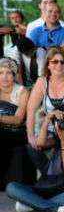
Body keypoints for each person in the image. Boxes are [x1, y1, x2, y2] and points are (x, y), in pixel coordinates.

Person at [7, 103, 64, 212]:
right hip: (46, 185)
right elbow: (39, 144)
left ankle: (32, 203)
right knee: (11, 187)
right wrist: (47, 120)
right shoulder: (57, 137)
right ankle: (54, 208)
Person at [25, 47, 64, 149]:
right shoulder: (42, 82)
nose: (59, 65)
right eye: (55, 62)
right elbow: (31, 110)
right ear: (48, 65)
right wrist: (30, 136)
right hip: (50, 129)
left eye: (63, 62)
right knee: (34, 145)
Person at [0, 58, 29, 187]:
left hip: (17, 132)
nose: (4, 77)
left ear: (14, 75)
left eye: (8, 73)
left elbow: (18, 120)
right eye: (1, 73)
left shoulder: (22, 91)